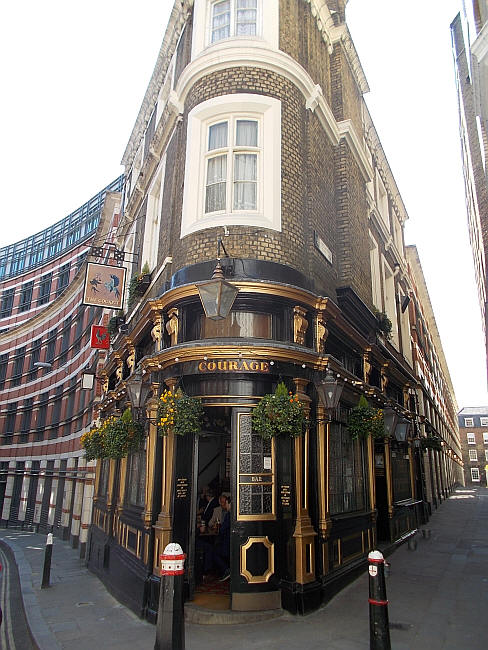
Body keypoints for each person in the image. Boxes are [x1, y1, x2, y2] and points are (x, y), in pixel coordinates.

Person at [203, 494, 231, 581]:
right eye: (222, 502)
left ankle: (226, 570)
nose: (223, 505)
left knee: (213, 551)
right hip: (223, 539)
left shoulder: (229, 515)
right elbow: (210, 523)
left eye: (225, 503)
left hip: (226, 542)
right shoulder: (217, 510)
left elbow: (222, 530)